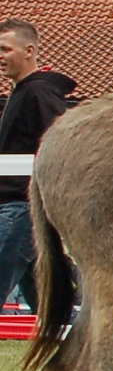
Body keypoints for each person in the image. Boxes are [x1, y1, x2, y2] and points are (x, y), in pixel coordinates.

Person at [0, 20, 74, 312]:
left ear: (29, 51)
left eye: (6, 49)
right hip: (21, 209)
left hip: (19, 207)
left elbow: (60, 144)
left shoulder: (38, 94)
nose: (0, 56)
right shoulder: (19, 94)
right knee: (53, 304)